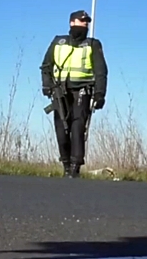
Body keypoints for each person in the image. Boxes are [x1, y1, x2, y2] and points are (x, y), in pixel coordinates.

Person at [40, 10, 108, 178]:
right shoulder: (58, 42)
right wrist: (47, 85)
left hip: (82, 91)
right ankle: (65, 164)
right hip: (59, 91)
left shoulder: (93, 44)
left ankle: (75, 166)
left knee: (77, 128)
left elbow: (101, 71)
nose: (85, 24)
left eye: (87, 22)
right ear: (71, 23)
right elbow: (46, 66)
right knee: (61, 129)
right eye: (81, 21)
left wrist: (100, 94)